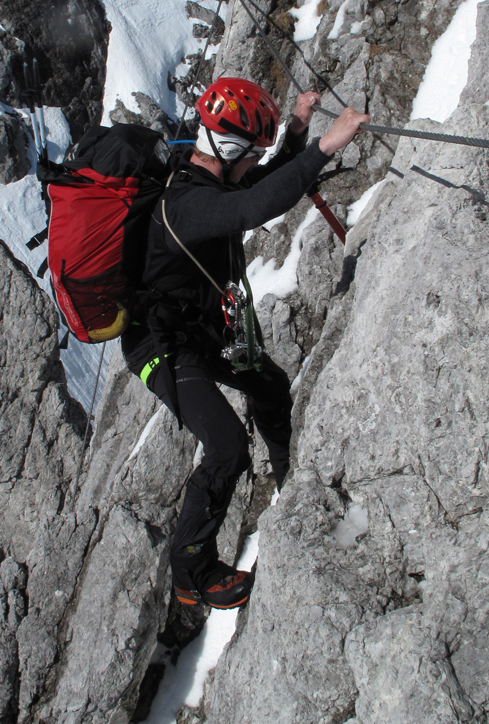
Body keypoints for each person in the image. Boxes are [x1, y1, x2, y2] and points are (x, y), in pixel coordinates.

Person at [121, 77, 369, 609]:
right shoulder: (189, 205)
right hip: (159, 346)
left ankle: (288, 481)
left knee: (270, 384)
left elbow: (256, 187)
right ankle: (191, 575)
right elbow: (252, 207)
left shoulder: (208, 180)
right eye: (250, 152)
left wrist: (298, 131)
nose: (254, 160)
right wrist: (327, 146)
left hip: (197, 327)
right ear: (229, 151)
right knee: (227, 446)